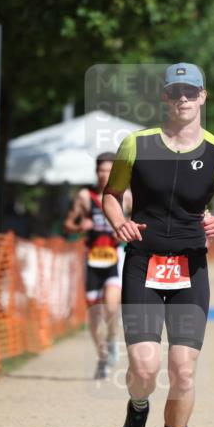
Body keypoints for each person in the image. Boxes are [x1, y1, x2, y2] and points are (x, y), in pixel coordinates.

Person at [102, 62, 214, 427]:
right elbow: (111, 194)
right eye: (175, 91)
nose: (183, 98)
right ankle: (137, 408)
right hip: (143, 263)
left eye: (191, 91)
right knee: (144, 368)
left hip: (191, 268)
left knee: (183, 370)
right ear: (164, 97)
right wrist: (119, 222)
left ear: (203, 96)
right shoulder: (137, 144)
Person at [63, 153, 132, 379]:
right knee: (93, 314)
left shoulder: (126, 196)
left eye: (109, 171)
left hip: (115, 256)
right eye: (101, 170)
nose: (104, 175)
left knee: (111, 306)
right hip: (92, 258)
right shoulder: (85, 196)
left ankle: (111, 338)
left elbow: (141, 221)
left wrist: (125, 228)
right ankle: (102, 357)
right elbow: (68, 224)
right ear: (96, 172)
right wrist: (80, 226)